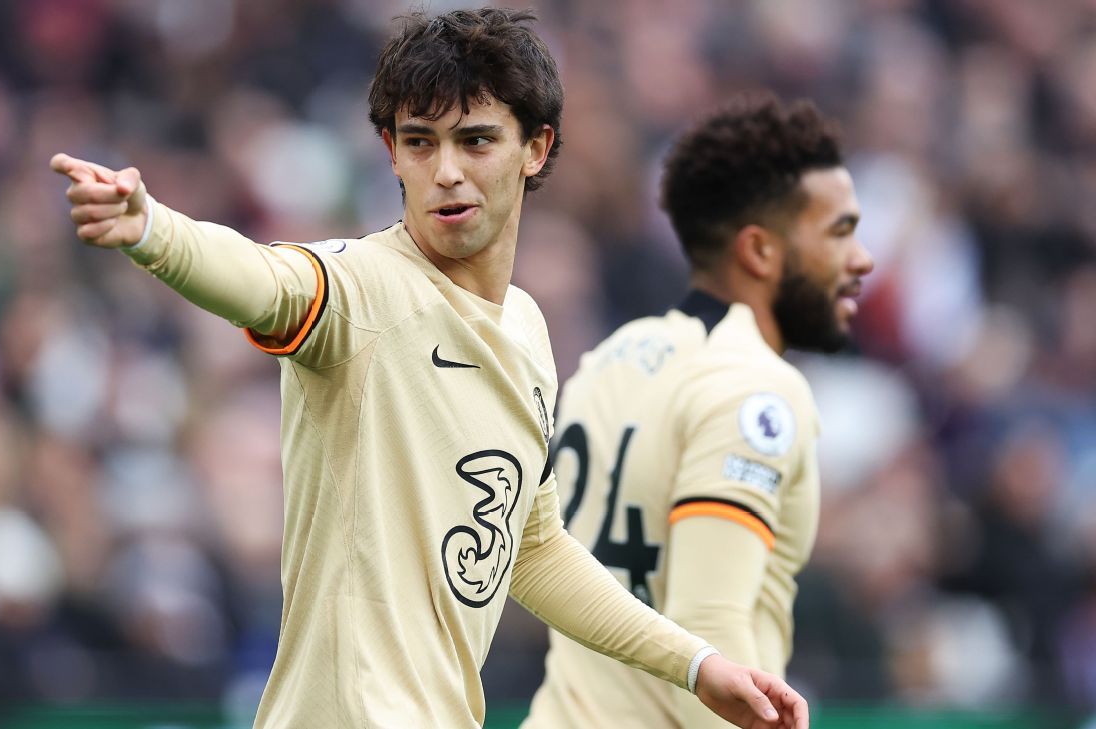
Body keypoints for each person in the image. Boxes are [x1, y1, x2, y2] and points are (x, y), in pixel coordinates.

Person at [50, 10, 808, 729]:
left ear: (536, 149)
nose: (446, 170)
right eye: (420, 142)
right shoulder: (366, 290)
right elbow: (262, 279)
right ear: (391, 152)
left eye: (476, 141)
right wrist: (153, 230)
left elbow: (535, 549)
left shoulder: (525, 331)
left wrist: (697, 662)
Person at [522, 93, 874, 728]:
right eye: (839, 232)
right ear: (761, 252)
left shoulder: (611, 356)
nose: (861, 259)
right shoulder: (756, 388)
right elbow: (709, 624)